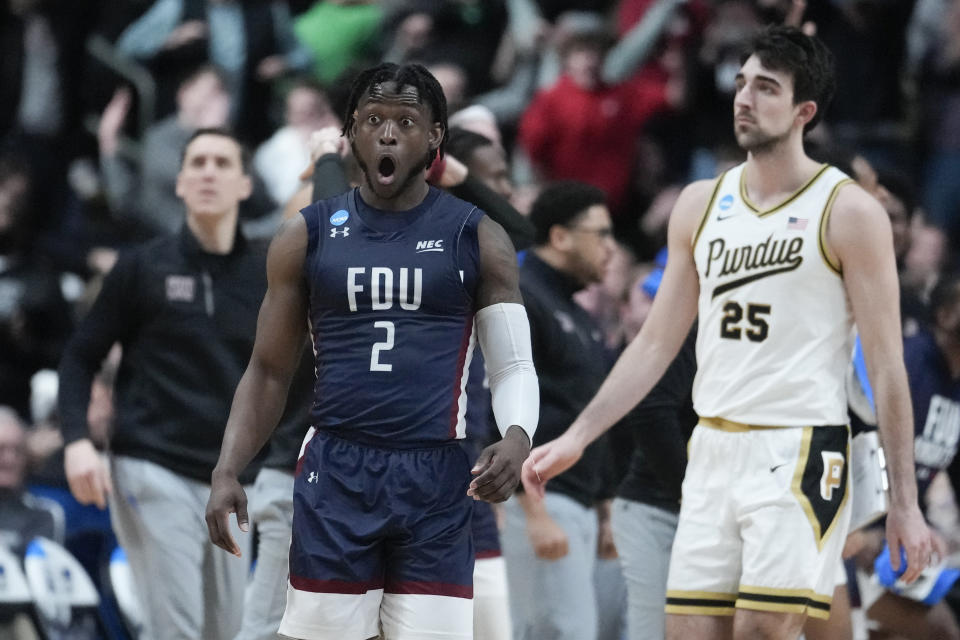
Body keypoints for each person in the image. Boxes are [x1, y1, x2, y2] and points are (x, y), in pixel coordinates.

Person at [522, 25, 935, 640]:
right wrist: (580, 435)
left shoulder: (848, 211)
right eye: (741, 83)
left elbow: (885, 365)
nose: (744, 98)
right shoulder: (699, 203)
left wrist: (905, 502)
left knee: (764, 630)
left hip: (799, 447)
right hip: (711, 451)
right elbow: (656, 343)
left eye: (765, 87)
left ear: (804, 112)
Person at [205, 62, 539, 640]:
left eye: (406, 121)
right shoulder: (305, 234)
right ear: (351, 133)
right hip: (337, 471)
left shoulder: (477, 234)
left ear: (435, 136)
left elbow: (512, 364)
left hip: (436, 474)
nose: (388, 134)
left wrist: (517, 435)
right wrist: (228, 466)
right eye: (374, 120)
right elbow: (266, 372)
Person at [58, 127, 266, 640]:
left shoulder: (268, 275)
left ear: (244, 184)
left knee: (227, 630)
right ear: (179, 184)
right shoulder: (142, 267)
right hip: (151, 466)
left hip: (232, 482)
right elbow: (80, 357)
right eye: (197, 163)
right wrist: (77, 442)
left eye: (222, 162)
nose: (208, 173)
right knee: (177, 630)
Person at [500, 181, 618, 640]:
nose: (611, 248)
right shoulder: (524, 300)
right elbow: (505, 410)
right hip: (543, 501)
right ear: (561, 236)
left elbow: (589, 412)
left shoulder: (579, 315)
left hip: (581, 502)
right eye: (601, 234)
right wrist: (533, 512)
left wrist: (605, 506)